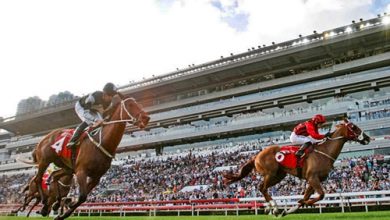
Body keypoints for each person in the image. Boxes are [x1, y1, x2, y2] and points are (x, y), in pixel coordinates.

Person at [66, 82, 119, 149]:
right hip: (81, 107)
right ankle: (72, 140)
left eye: (112, 96)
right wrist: (96, 120)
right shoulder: (93, 97)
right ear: (105, 94)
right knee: (89, 121)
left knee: (100, 123)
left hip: (93, 109)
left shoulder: (109, 103)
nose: (111, 98)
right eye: (110, 96)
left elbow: (104, 115)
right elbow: (86, 114)